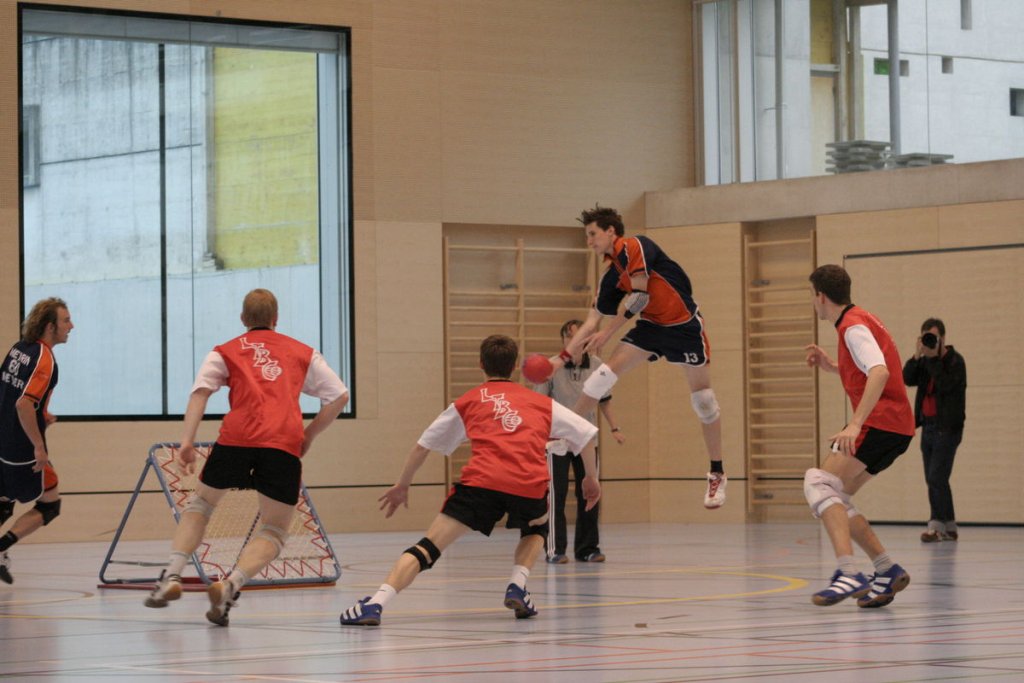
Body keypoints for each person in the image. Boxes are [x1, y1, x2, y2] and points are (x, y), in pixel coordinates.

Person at [339, 334, 599, 626]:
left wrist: (402, 485)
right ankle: (517, 584)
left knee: (428, 547)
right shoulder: (540, 403)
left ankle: (375, 604)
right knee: (537, 528)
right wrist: (590, 477)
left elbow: (422, 447)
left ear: (480, 365)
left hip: (482, 483)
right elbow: (586, 433)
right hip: (528, 483)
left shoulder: (467, 402)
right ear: (515, 367)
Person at [143, 289, 348, 626]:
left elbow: (200, 394)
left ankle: (171, 576)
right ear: (276, 319)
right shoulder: (303, 352)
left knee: (200, 506)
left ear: (243, 319)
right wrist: (308, 436)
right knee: (274, 529)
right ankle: (231, 585)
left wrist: (187, 441)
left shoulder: (225, 350)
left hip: (236, 440)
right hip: (282, 445)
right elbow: (339, 396)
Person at [551, 205, 726, 509]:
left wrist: (608, 334)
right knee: (601, 378)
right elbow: (592, 320)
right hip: (651, 328)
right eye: (587, 236)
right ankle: (566, 432)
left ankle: (717, 473)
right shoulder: (610, 277)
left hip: (684, 326)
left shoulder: (635, 246)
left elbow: (641, 296)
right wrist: (563, 356)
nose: (589, 241)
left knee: (705, 402)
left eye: (592, 234)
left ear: (610, 231)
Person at [804, 264, 915, 608]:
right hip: (897, 427)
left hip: (880, 422)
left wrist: (854, 423)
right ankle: (886, 569)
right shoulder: (860, 319)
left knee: (818, 482)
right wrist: (832, 366)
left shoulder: (852, 327)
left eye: (813, 296)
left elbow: (879, 372)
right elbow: (871, 366)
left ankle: (848, 572)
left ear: (821, 296)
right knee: (838, 498)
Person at [534, 319, 624, 564]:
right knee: (556, 494)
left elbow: (604, 400)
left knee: (590, 493)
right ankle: (555, 550)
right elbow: (541, 405)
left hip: (586, 439)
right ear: (564, 341)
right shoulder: (551, 368)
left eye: (582, 338)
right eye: (571, 338)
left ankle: (588, 548)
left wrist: (615, 428)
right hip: (557, 441)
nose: (577, 343)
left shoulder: (597, 366)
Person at [0, 298, 73, 585]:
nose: (72, 326)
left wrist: (42, 415)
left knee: (4, 504)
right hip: (22, 452)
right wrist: (39, 446)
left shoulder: (19, 349)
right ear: (50, 326)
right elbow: (23, 404)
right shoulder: (45, 358)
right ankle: (2, 547)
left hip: (3, 441)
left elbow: (9, 394)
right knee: (49, 506)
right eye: (66, 321)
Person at [902, 318, 967, 543]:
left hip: (948, 428)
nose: (929, 342)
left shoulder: (955, 362)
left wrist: (933, 359)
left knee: (936, 476)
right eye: (925, 338)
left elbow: (946, 385)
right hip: (928, 427)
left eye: (933, 338)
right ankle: (949, 526)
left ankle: (936, 525)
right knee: (936, 479)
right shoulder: (924, 361)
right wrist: (917, 355)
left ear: (943, 339)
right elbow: (906, 378)